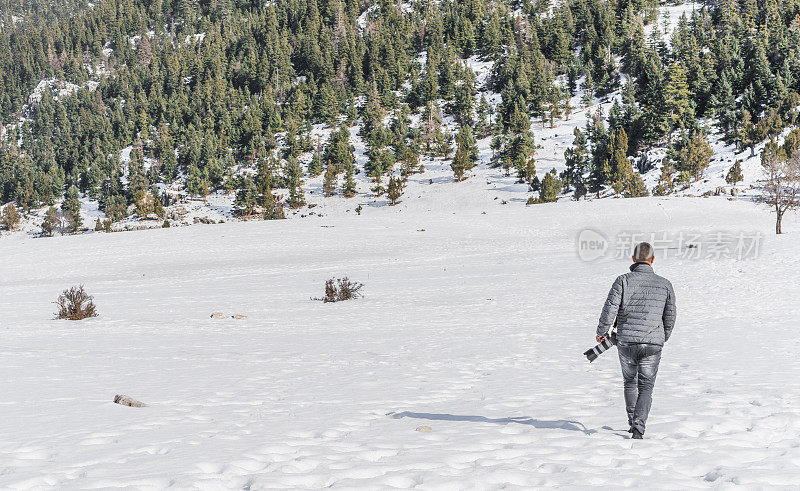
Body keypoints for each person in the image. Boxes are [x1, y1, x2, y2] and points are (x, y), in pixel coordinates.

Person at [596, 242, 676, 439]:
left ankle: (633, 422)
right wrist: (662, 336)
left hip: (626, 341)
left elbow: (610, 308)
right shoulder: (665, 284)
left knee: (630, 382)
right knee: (646, 386)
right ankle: (639, 427)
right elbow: (670, 316)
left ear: (633, 259)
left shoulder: (622, 281)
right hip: (653, 343)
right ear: (652, 259)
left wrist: (601, 332)